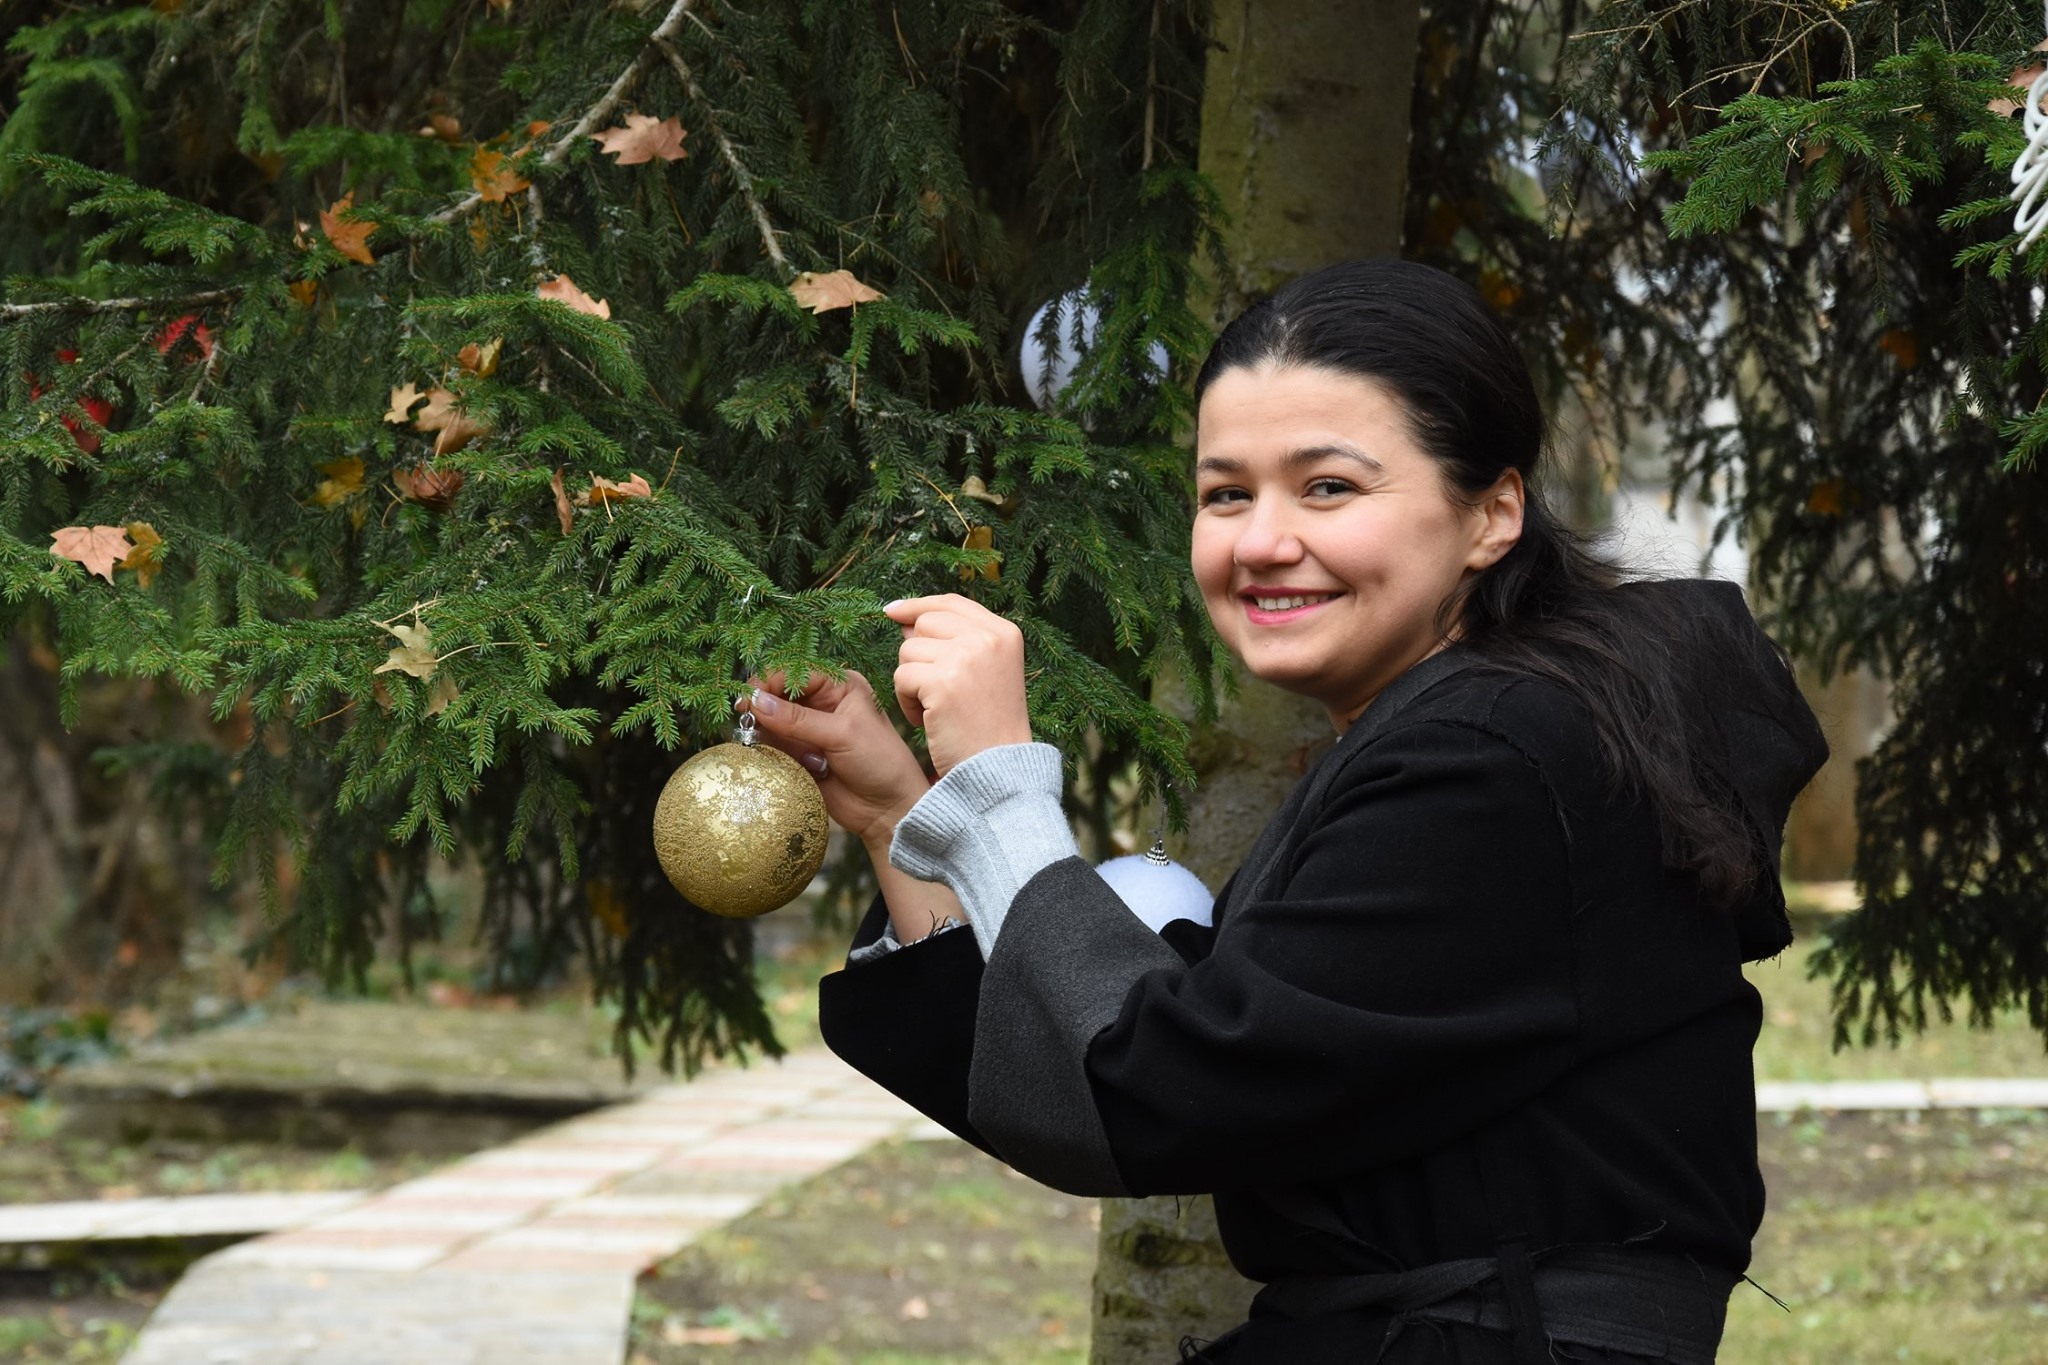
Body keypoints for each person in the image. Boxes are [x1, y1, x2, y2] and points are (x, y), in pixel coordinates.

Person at [739, 258, 1827, 1363]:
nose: (1259, 541)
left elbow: (1161, 1086)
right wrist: (899, 819)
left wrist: (996, 791)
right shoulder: (1474, 727)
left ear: (1491, 513)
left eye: (1328, 487)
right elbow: (1133, 1076)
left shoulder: (1500, 755)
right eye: (1225, 494)